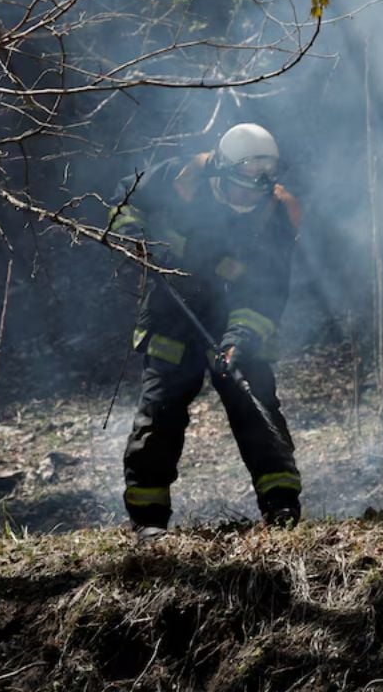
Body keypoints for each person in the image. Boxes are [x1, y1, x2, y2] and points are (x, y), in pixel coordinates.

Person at [108, 123, 303, 541]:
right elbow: (125, 199)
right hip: (171, 313)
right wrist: (133, 239)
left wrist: (239, 338)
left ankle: (281, 506)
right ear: (221, 171)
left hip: (235, 317)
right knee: (160, 414)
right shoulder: (181, 177)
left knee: (255, 405)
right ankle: (148, 520)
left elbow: (268, 291)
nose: (251, 198)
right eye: (243, 188)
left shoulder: (276, 214)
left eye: (260, 190)